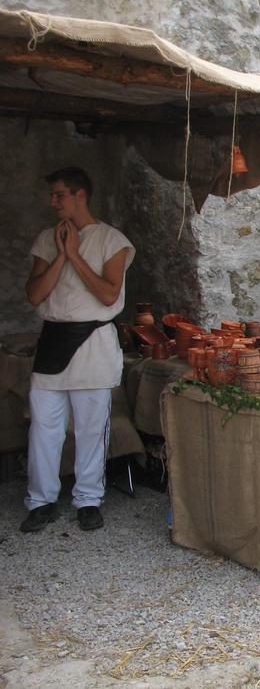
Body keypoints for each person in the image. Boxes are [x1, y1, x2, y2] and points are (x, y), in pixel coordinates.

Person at [20, 167, 134, 533]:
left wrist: (76, 255)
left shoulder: (112, 240)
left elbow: (108, 294)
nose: (53, 202)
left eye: (59, 195)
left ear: (80, 195)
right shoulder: (47, 238)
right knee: (44, 428)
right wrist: (61, 255)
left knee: (90, 428)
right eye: (52, 195)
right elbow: (35, 294)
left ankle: (88, 499)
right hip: (53, 341)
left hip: (92, 343)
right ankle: (41, 500)